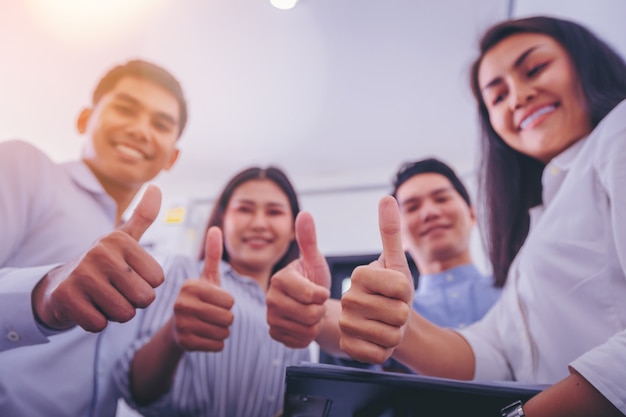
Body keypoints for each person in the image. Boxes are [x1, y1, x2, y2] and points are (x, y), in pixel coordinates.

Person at [337, 16, 626, 416]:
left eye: (535, 68)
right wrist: (395, 328)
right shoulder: (538, 225)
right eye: (497, 95)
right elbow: (495, 356)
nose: (519, 96)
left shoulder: (619, 131)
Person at [0, 59, 187, 417]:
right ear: (85, 119)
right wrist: (42, 294)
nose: (140, 130)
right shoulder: (24, 167)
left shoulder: (146, 264)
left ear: (172, 157)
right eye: (125, 109)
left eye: (160, 125)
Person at [113, 166, 310, 417]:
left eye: (274, 212)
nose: (259, 223)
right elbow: (136, 388)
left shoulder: (299, 310)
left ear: (293, 228)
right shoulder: (186, 273)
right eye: (244, 209)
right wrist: (173, 335)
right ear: (222, 220)